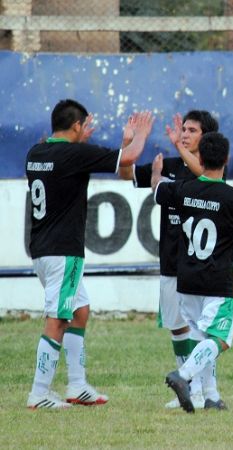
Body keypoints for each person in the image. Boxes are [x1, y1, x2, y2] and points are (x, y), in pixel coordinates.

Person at [25, 99, 154, 409]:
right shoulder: (75, 154)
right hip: (63, 251)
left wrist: (115, 147)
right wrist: (139, 135)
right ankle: (39, 393)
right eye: (85, 126)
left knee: (80, 311)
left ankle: (77, 385)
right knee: (57, 320)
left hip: (42, 249)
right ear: (78, 126)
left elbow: (80, 160)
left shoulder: (36, 152)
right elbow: (132, 157)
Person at [153, 132, 233, 413]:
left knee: (199, 336)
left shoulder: (183, 189)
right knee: (220, 339)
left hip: (187, 280)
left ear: (201, 159)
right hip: (216, 283)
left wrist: (157, 173)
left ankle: (211, 395)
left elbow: (157, 190)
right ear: (227, 160)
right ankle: (182, 377)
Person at [118, 110, 219, 410]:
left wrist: (177, 151)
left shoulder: (212, 169)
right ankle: (188, 388)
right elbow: (127, 174)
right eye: (183, 129)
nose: (185, 134)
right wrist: (130, 142)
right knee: (177, 327)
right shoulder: (170, 166)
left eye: (192, 130)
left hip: (199, 266)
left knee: (202, 330)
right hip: (170, 262)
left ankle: (204, 391)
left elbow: (202, 175)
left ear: (207, 137)